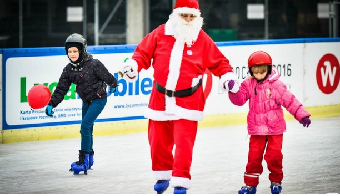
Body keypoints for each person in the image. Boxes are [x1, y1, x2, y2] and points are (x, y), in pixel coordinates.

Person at [119, 0, 239, 194]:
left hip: (189, 101)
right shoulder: (160, 33)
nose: (188, 20)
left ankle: (181, 179)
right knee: (157, 141)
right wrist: (133, 66)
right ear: (176, 15)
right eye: (185, 15)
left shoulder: (202, 39)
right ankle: (163, 174)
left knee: (184, 144)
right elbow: (142, 54)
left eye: (192, 16)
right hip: (160, 98)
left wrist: (227, 78)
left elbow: (220, 63)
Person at [226, 51, 311, 194]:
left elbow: (289, 100)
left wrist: (301, 115)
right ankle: (250, 184)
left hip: (275, 130)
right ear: (251, 71)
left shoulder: (276, 85)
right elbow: (239, 100)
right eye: (255, 72)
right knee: (253, 158)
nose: (259, 75)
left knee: (274, 156)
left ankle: (276, 181)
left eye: (262, 72)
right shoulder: (248, 84)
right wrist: (233, 90)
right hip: (256, 130)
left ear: (269, 69)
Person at [45, 33, 118, 175]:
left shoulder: (94, 64)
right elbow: (61, 89)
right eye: (69, 51)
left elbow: (107, 76)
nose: (72, 54)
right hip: (86, 100)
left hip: (99, 99)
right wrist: (51, 104)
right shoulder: (68, 70)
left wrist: (113, 84)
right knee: (87, 128)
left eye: (75, 51)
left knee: (84, 126)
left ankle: (83, 160)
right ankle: (89, 158)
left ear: (82, 50)